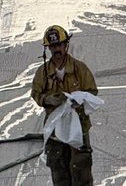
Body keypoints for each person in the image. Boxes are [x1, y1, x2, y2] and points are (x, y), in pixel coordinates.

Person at [30, 25, 99, 186]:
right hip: (55, 130)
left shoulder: (79, 69)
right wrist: (48, 100)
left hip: (78, 128)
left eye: (59, 45)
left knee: (81, 168)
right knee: (59, 169)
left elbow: (92, 91)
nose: (57, 49)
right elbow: (36, 94)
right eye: (53, 46)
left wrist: (79, 100)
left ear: (66, 45)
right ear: (48, 48)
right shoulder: (42, 73)